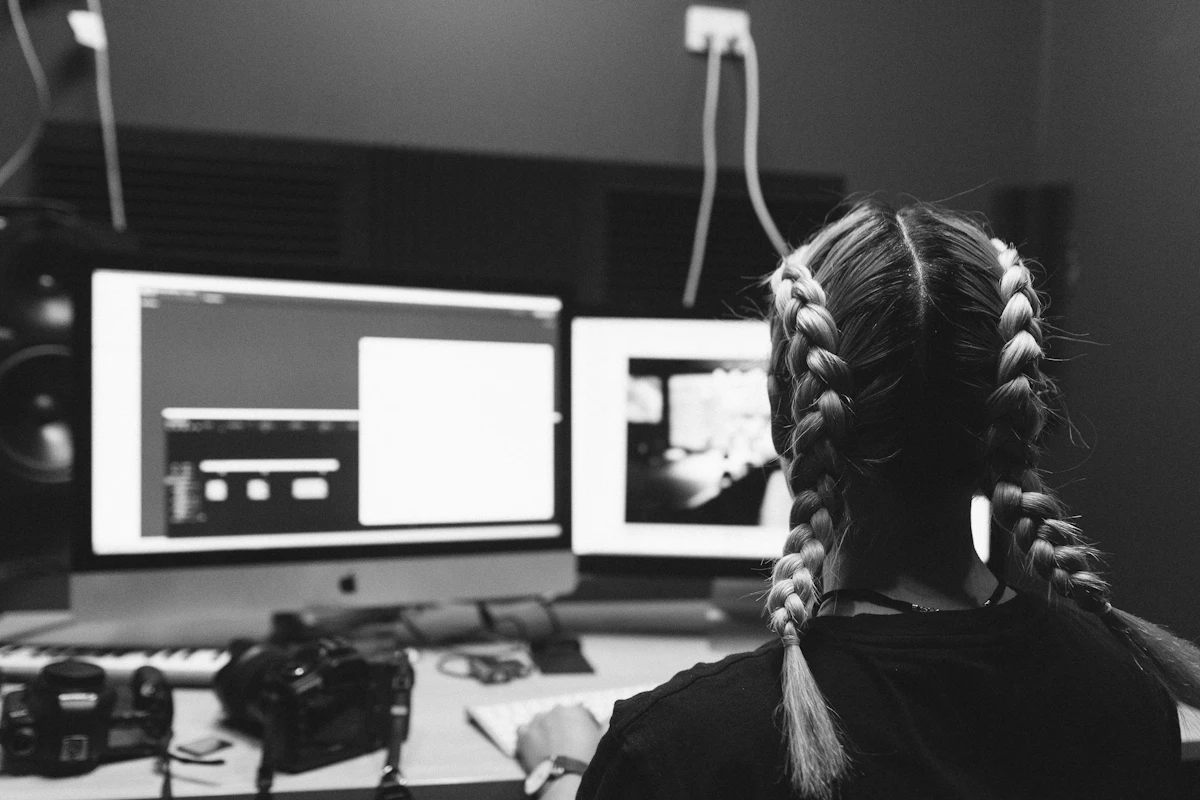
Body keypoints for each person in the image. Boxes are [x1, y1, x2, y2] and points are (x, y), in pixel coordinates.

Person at [515, 199, 1200, 799]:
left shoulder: (679, 747)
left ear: (790, 421)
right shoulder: (1128, 696)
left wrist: (562, 773)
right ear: (1019, 416)